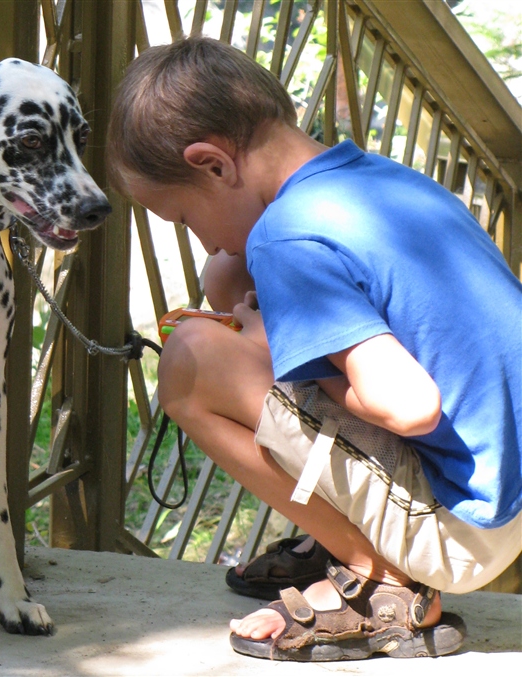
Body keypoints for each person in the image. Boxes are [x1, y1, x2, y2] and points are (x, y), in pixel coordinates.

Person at [106, 36, 522, 662]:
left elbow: (409, 407)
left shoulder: (286, 238)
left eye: (182, 218)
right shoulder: (378, 180)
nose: (195, 240)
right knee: (227, 277)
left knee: (191, 361)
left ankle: (378, 586)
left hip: (462, 528)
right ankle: (340, 543)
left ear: (214, 165)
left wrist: (281, 353)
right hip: (503, 486)